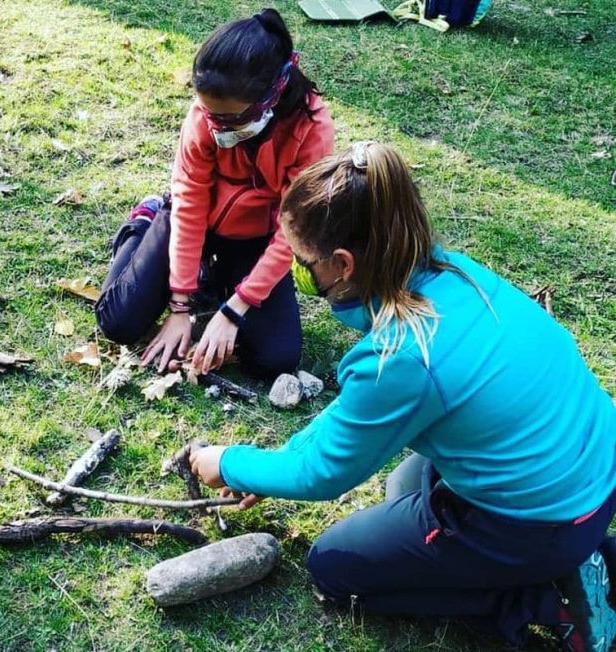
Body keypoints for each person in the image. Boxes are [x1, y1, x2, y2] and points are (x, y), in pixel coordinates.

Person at [189, 142, 616, 651]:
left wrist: (230, 463)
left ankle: (546, 598)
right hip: (588, 476)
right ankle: (564, 556)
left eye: (303, 268)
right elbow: (349, 421)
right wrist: (276, 460)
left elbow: (324, 474)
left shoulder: (400, 357)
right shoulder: (456, 272)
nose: (301, 278)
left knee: (335, 567)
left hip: (541, 519)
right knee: (405, 484)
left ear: (343, 264)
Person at [95, 8, 334, 377]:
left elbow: (292, 231)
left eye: (230, 119)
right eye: (209, 114)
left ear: (270, 95)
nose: (215, 127)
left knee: (275, 359)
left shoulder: (311, 129)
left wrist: (236, 307)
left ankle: (217, 283)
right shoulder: (202, 118)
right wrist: (179, 308)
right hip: (194, 222)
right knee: (118, 322)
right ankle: (143, 224)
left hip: (255, 238)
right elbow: (190, 205)